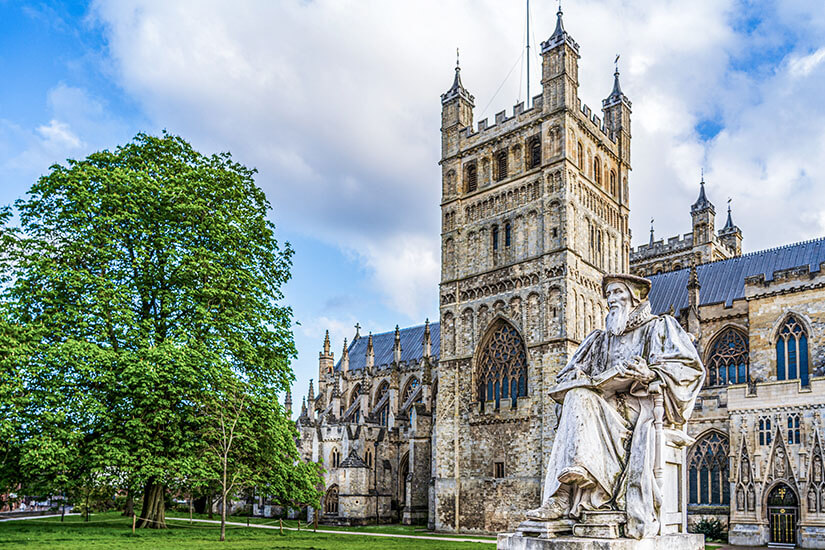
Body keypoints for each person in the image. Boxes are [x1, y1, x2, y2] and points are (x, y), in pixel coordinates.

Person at [526, 273, 704, 539]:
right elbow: (566, 374)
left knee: (582, 400)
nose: (611, 299)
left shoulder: (659, 327)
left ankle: (570, 491)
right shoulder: (599, 340)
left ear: (635, 296)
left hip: (640, 409)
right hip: (601, 406)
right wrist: (581, 378)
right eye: (608, 294)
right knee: (577, 396)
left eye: (617, 292)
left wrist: (651, 373)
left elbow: (690, 368)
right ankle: (564, 492)